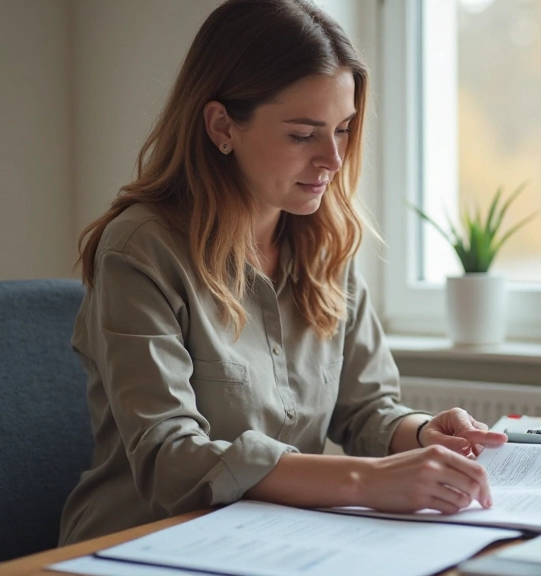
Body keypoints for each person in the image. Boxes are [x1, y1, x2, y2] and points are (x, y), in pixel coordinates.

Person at [58, 0, 507, 544]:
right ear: (222, 125)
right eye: (303, 135)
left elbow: (365, 409)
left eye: (343, 129)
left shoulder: (325, 245)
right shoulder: (141, 249)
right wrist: (366, 480)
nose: (333, 161)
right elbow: (169, 458)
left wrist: (419, 434)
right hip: (140, 544)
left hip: (275, 541)